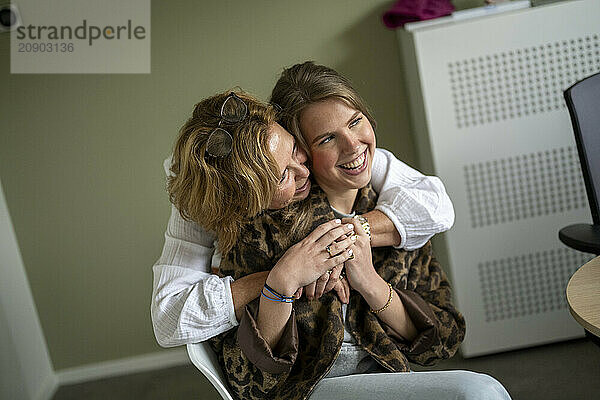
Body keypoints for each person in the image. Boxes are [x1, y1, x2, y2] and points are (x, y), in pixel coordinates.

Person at [207, 61, 512, 400]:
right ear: (303, 151)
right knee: (478, 392)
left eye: (355, 122)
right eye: (327, 139)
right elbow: (247, 380)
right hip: (305, 389)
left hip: (389, 377)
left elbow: (441, 340)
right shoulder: (262, 226)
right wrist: (281, 282)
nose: (353, 146)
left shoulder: (399, 212)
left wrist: (369, 281)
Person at [151, 89, 455, 347]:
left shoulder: (324, 149)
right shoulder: (209, 200)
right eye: (284, 175)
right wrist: (281, 275)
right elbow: (168, 320)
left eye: (296, 149)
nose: (305, 170)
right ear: (248, 203)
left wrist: (341, 242)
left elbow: (436, 206)